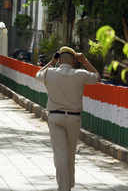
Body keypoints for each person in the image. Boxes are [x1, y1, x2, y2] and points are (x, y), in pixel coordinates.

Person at [35, 46, 100, 191]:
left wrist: (51, 62)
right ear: (74, 61)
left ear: (59, 59)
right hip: (74, 119)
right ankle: (68, 185)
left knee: (60, 154)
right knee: (70, 154)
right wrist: (85, 61)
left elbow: (37, 74)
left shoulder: (49, 73)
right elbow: (97, 77)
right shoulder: (80, 74)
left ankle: (64, 187)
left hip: (55, 117)